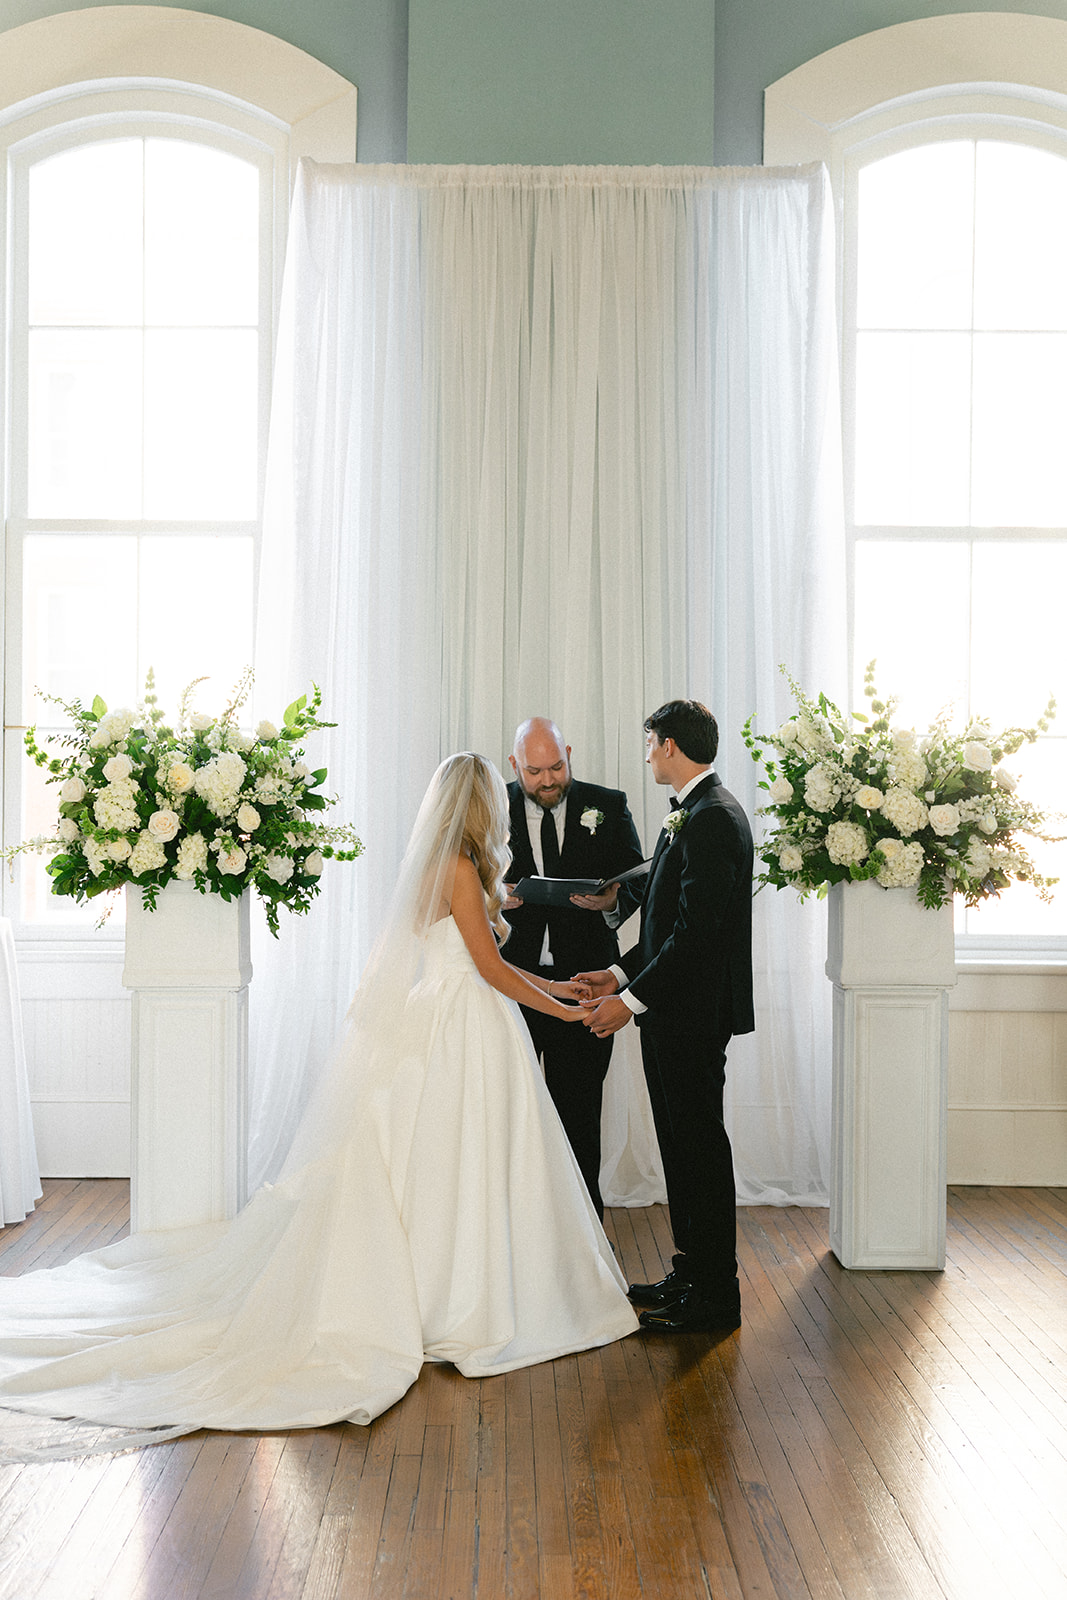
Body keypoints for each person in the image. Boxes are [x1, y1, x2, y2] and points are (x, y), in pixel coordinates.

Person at [0, 754, 637, 1459]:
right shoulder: (458, 866)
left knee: (453, 1161)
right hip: (460, 1024)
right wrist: (566, 1011)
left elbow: (479, 959)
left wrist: (560, 991)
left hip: (462, 1017)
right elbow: (484, 968)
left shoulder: (453, 863)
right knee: (455, 1159)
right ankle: (453, 1295)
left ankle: (454, 1282)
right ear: (478, 804)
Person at [579, 701, 754, 1334]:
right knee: (680, 1149)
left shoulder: (712, 819)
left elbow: (696, 936)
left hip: (692, 1016)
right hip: (671, 1010)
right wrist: (620, 973)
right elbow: (663, 921)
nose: (647, 753)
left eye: (651, 743)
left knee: (699, 1149)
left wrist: (626, 1004)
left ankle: (717, 1297)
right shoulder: (692, 814)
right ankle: (693, 1271)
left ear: (672, 745)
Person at [504, 718, 646, 1217]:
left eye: (557, 767)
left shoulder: (608, 804)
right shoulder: (490, 806)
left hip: (585, 986)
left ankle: (586, 1238)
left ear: (569, 752)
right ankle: (517, 1230)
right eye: (535, 771)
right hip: (511, 985)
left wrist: (610, 903)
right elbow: (464, 885)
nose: (548, 781)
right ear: (514, 765)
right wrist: (496, 900)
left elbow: (638, 882)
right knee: (508, 1116)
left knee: (579, 1117)